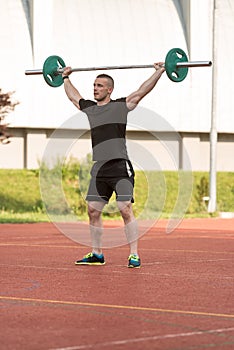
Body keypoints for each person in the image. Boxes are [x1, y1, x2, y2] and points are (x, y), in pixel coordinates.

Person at [62, 62, 165, 268]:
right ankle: (97, 254)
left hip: (120, 167)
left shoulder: (119, 107)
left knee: (124, 208)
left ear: (109, 89)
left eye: (100, 86)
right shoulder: (91, 109)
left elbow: (141, 92)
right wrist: (65, 77)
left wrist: (159, 71)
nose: (95, 88)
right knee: (93, 210)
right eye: (94, 85)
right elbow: (74, 97)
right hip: (99, 167)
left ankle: (134, 255)